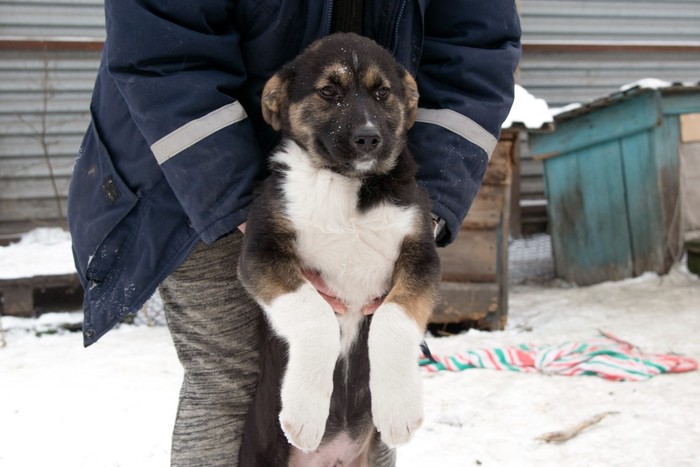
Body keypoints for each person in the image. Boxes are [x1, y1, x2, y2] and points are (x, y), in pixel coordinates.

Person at [67, 1, 521, 465]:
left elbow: (476, 50)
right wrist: (243, 209)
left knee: (373, 378)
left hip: (377, 183)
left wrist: (428, 199)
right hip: (193, 165)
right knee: (231, 382)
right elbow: (160, 49)